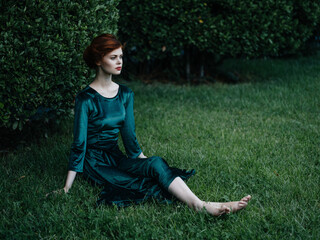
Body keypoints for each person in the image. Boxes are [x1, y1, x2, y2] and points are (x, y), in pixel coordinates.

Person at [62, 33, 251, 216]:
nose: (120, 62)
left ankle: (199, 203)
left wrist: (146, 163)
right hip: (94, 164)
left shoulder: (125, 94)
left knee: (156, 164)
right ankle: (201, 205)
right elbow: (79, 143)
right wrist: (66, 188)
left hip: (115, 156)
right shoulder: (85, 98)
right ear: (98, 60)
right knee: (136, 182)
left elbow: (130, 140)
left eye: (121, 56)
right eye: (113, 57)